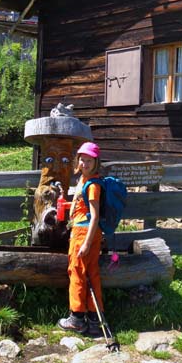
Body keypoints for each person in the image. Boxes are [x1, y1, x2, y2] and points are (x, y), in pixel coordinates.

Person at [57, 141, 104, 337]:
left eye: (89, 160)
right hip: (90, 233)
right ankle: (94, 319)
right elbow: (82, 206)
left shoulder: (92, 185)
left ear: (96, 162)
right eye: (82, 159)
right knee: (92, 274)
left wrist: (85, 243)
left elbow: (95, 216)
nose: (84, 163)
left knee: (76, 271)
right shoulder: (85, 180)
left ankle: (76, 318)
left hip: (84, 234)